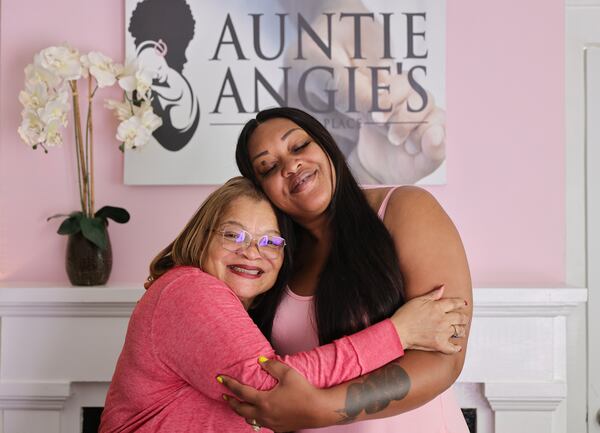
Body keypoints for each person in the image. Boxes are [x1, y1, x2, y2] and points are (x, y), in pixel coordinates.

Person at [99, 177, 468, 433]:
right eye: (234, 234)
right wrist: (398, 333)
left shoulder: (225, 307)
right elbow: (270, 383)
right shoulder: (190, 290)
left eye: (271, 242)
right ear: (201, 235)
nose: (252, 251)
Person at [218, 107, 472, 432]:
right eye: (268, 167)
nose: (291, 165)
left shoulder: (403, 209)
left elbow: (445, 358)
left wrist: (322, 409)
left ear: (326, 145)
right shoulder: (268, 260)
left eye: (298, 147)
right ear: (260, 189)